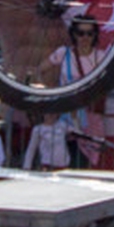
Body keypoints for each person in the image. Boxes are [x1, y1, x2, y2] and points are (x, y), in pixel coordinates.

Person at [24, 14, 107, 170]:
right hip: (66, 116)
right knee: (65, 157)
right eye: (80, 33)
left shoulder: (100, 57)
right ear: (73, 34)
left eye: (90, 33)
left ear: (95, 35)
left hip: (90, 117)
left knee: (88, 159)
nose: (85, 37)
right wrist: (46, 91)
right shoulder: (63, 53)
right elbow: (39, 70)